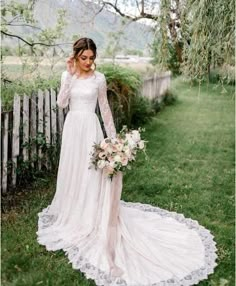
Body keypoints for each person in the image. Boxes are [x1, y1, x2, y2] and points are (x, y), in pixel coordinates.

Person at [36, 37, 218, 285]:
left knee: (91, 175)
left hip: (91, 129)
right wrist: (68, 76)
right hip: (72, 131)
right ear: (76, 57)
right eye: (84, 58)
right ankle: (72, 211)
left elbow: (105, 109)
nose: (88, 62)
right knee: (73, 173)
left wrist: (113, 142)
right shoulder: (67, 75)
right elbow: (61, 103)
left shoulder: (99, 79)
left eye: (91, 57)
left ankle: (90, 215)